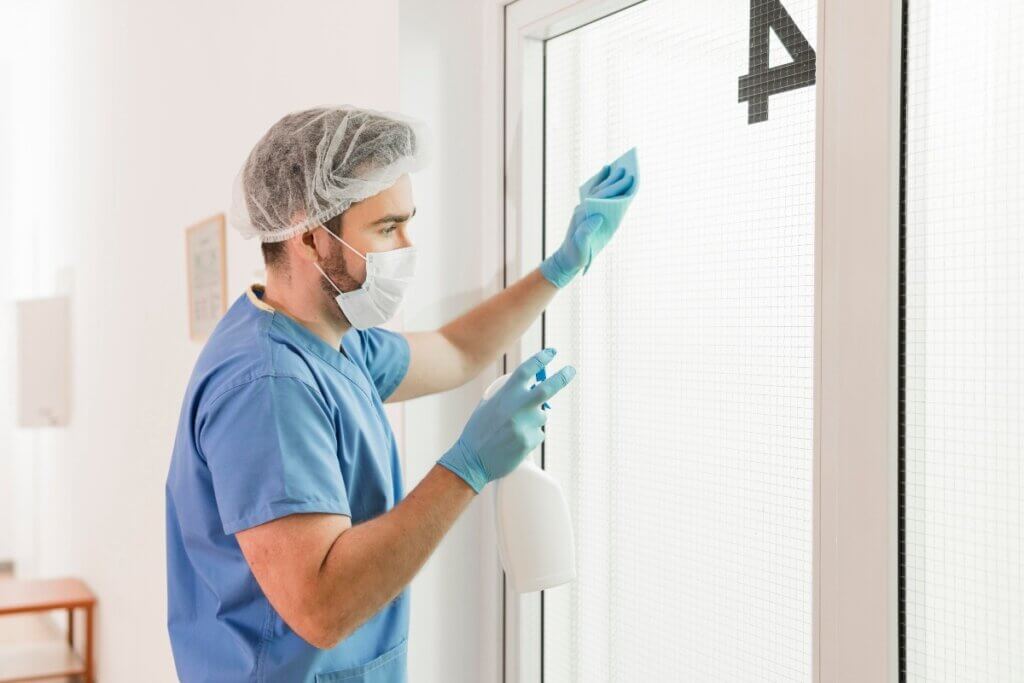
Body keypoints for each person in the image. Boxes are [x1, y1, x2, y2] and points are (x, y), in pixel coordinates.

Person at [165, 105, 635, 682]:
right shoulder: (268, 386)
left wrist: (562, 267)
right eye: (388, 228)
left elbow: (456, 350)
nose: (408, 245)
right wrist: (467, 467)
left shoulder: (333, 339)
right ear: (312, 237)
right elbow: (322, 606)